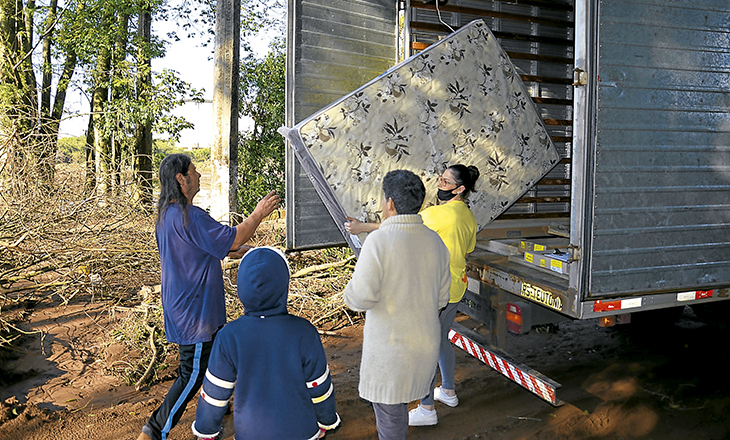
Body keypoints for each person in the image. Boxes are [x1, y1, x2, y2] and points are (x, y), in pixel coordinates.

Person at [137, 153, 280, 440]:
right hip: (195, 312)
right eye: (194, 171)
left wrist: (234, 250)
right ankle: (154, 431)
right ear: (181, 179)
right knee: (191, 374)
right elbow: (235, 236)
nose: (199, 175)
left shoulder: (168, 215)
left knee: (219, 356)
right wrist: (259, 214)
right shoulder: (191, 217)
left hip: (185, 306)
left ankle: (218, 403)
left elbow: (202, 248)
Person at [345, 164, 480, 427]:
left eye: (445, 181)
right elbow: (469, 248)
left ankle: (427, 407)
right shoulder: (468, 217)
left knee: (425, 344)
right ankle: (449, 391)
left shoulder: (438, 216)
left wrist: (362, 227)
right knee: (439, 340)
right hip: (453, 286)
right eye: (440, 180)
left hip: (430, 288)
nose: (441, 184)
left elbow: (400, 227)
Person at [191, 246, 341, 440]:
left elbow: (215, 392)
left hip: (251, 433)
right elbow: (319, 385)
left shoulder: (229, 336)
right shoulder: (304, 331)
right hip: (301, 431)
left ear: (241, 287)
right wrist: (327, 421)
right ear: (284, 286)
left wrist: (206, 430)